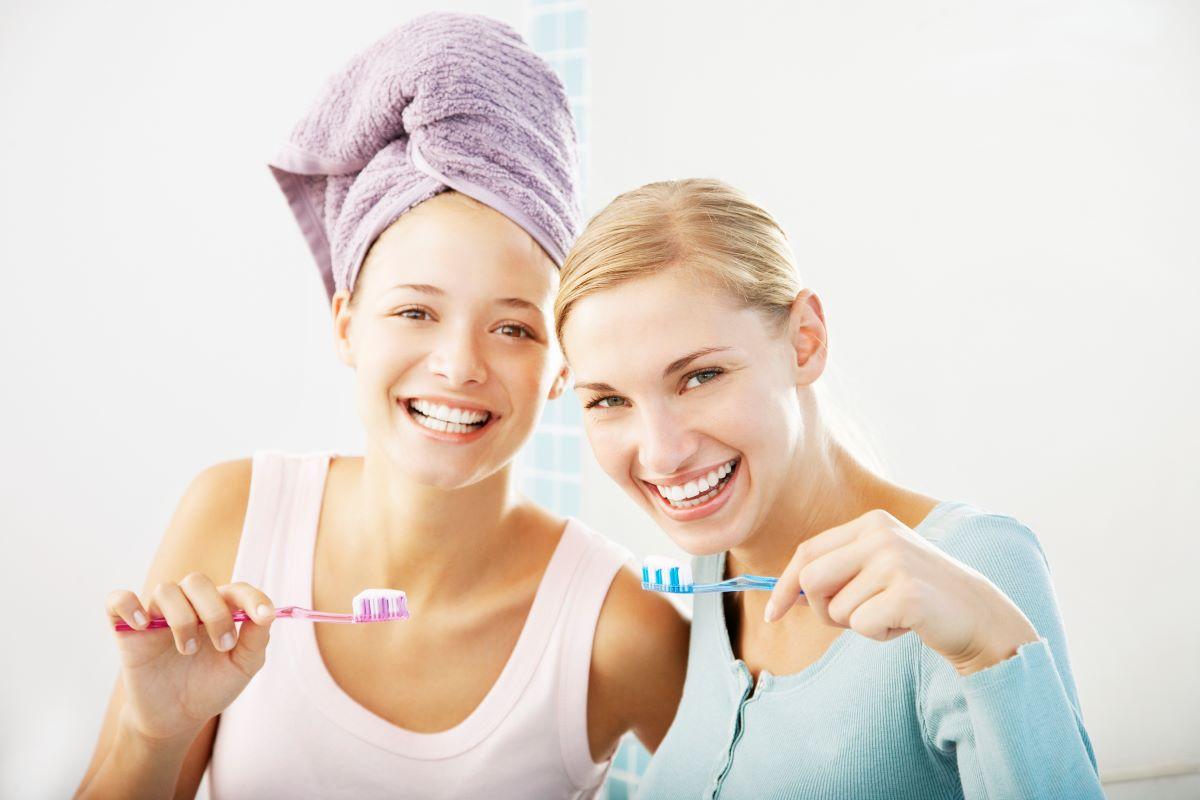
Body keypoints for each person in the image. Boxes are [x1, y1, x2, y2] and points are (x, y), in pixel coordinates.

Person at [75, 15, 686, 800]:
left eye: (513, 327)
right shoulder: (233, 517)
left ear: (561, 364)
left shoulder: (621, 626)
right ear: (345, 323)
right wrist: (147, 734)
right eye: (415, 312)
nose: (460, 365)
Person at [554, 178, 1102, 798]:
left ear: (804, 340)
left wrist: (991, 651)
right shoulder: (716, 563)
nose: (661, 452)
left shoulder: (975, 563)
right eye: (608, 400)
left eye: (700, 376)